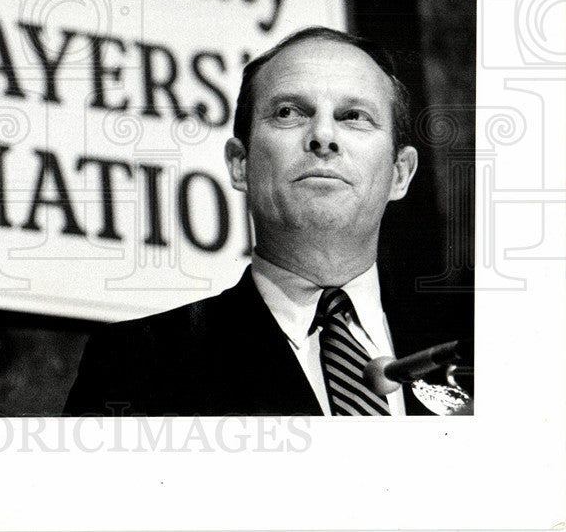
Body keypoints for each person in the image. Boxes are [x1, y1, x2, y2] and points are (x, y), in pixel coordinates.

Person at [64, 26, 436, 416]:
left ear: (401, 173)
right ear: (240, 164)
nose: (323, 136)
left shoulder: (481, 344)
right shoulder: (138, 361)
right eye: (289, 112)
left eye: (354, 116)